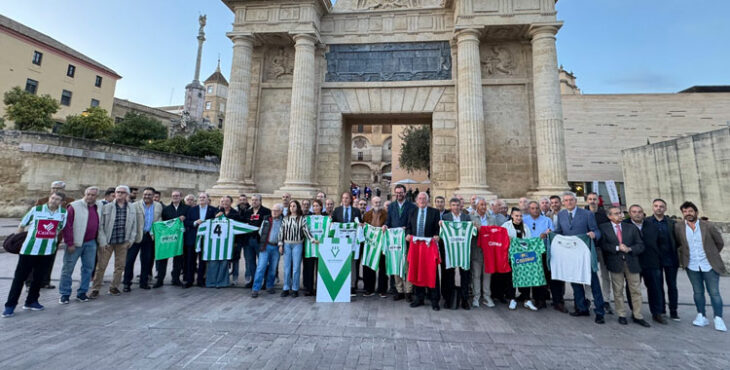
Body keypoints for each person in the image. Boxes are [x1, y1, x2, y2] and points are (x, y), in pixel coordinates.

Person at [3, 192, 67, 318]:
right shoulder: (36, 210)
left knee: (38, 278)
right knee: (19, 278)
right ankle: (10, 305)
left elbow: (60, 229)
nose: (53, 201)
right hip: (29, 250)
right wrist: (19, 240)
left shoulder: (63, 213)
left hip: (47, 251)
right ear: (49, 198)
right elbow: (22, 225)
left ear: (61, 202)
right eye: (52, 198)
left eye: (57, 199)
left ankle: (31, 301)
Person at [553, 192, 605, 324]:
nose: (568, 202)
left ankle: (599, 311)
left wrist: (594, 234)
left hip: (584, 253)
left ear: (575, 201)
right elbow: (559, 231)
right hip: (570, 254)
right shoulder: (561, 215)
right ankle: (581, 308)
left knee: (593, 283)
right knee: (575, 282)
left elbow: (597, 231)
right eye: (566, 200)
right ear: (563, 203)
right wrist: (550, 234)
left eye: (571, 200)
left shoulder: (587, 214)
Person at [674, 201, 726, 332]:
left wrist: (711, 254)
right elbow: (679, 244)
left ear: (696, 212)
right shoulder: (678, 227)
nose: (688, 214)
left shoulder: (707, 226)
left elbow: (719, 242)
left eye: (690, 211)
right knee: (698, 292)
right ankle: (701, 316)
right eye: (685, 212)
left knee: (714, 293)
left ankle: (718, 318)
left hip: (709, 265)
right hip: (692, 265)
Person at [598, 206, 649, 327]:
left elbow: (640, 245)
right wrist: (617, 248)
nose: (619, 215)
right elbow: (603, 245)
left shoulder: (631, 228)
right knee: (618, 290)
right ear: (609, 216)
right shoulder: (604, 228)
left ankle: (637, 315)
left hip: (632, 262)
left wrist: (630, 249)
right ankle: (621, 314)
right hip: (615, 263)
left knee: (635, 290)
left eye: (620, 213)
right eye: (615, 214)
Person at [90, 186, 138, 299]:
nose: (119, 194)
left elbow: (134, 226)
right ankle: (95, 289)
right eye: (118, 192)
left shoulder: (131, 208)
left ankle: (114, 287)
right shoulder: (107, 207)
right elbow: (100, 226)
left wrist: (130, 240)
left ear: (127, 194)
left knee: (120, 266)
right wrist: (102, 241)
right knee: (101, 266)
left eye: (122, 192)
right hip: (108, 242)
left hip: (123, 241)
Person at [59, 187, 102, 304]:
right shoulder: (74, 206)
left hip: (91, 242)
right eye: (88, 194)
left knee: (88, 269)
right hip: (75, 243)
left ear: (96, 196)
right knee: (68, 269)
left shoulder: (99, 206)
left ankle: (82, 292)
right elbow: (67, 226)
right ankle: (64, 294)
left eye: (93, 195)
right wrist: (70, 243)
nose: (90, 197)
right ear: (84, 194)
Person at [28, 181, 74, 290]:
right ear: (50, 189)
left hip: (55, 237)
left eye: (59, 188)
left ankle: (45, 281)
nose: (56, 190)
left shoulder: (70, 202)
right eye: (54, 188)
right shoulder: (42, 201)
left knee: (49, 260)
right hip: (40, 236)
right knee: (34, 260)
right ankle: (30, 283)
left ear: (64, 190)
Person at [624, 204, 665, 324]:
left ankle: (657, 312)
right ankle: (635, 311)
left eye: (639, 212)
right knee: (632, 288)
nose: (637, 214)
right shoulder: (625, 225)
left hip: (651, 261)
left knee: (655, 288)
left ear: (643, 213)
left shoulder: (652, 225)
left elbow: (661, 242)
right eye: (634, 212)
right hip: (633, 261)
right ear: (630, 214)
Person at [405, 192, 441, 311]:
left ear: (427, 200)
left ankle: (435, 300)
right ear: (416, 200)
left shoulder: (434, 212)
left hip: (429, 247)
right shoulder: (412, 212)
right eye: (420, 198)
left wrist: (437, 235)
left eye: (424, 198)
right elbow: (408, 226)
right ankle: (418, 298)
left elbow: (437, 228)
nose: (422, 200)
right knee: (417, 271)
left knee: (432, 272)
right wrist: (408, 234)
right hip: (416, 247)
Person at [647, 198, 680, 321]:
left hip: (670, 258)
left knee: (672, 286)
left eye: (661, 206)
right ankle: (660, 310)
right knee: (657, 286)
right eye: (656, 206)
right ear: (653, 207)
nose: (658, 208)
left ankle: (674, 310)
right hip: (655, 260)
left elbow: (678, 240)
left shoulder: (672, 223)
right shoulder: (647, 222)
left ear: (665, 208)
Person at [123, 187, 162, 292]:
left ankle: (143, 282)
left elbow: (159, 219)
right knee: (129, 261)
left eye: (149, 194)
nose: (147, 196)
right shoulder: (135, 206)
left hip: (149, 237)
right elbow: (129, 221)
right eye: (145, 194)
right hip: (136, 237)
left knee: (146, 261)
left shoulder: (158, 206)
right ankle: (127, 283)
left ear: (153, 196)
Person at [501, 208, 540, 311]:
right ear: (512, 216)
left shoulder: (525, 227)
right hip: (511, 256)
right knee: (511, 278)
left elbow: (529, 241)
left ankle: (527, 299)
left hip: (523, 256)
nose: (518, 218)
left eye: (520, 216)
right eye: (516, 216)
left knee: (525, 278)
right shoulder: (506, 226)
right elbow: (501, 238)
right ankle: (512, 299)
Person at [384, 184, 416, 301]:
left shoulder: (412, 206)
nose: (399, 194)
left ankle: (408, 291)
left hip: (406, 240)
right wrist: (385, 225)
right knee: (396, 264)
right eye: (397, 193)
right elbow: (389, 220)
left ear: (405, 193)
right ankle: (399, 290)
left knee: (407, 266)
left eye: (401, 192)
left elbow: (413, 223)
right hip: (395, 241)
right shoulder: (391, 206)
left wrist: (407, 230)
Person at [439, 197, 473, 310]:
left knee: (465, 276)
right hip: (450, 250)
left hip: (463, 250)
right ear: (450, 206)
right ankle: (448, 299)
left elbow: (472, 232)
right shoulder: (445, 217)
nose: (455, 207)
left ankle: (464, 299)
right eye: (453, 205)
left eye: (457, 205)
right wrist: (441, 225)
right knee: (449, 275)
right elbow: (441, 234)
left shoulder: (466, 217)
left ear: (460, 206)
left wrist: (474, 227)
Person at [522, 201, 554, 309]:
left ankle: (540, 299)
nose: (535, 210)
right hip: (528, 252)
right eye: (532, 208)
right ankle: (527, 298)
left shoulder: (547, 220)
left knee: (541, 276)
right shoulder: (524, 220)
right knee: (529, 275)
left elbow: (553, 233)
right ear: (529, 209)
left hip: (542, 251)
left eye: (536, 208)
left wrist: (548, 233)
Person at [585, 191, 613, 314]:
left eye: (594, 199)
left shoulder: (604, 214)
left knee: (605, 275)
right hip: (589, 249)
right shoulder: (583, 214)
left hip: (603, 248)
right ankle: (588, 298)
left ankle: (606, 300)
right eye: (590, 199)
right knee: (588, 274)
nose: (592, 201)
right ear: (587, 201)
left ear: (598, 201)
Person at [183, 193, 218, 288]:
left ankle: (200, 280)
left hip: (206, 239)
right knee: (191, 260)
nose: (202, 199)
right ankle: (189, 280)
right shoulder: (192, 210)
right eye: (200, 197)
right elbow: (186, 222)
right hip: (193, 238)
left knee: (202, 260)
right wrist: (195, 222)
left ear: (207, 199)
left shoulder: (213, 210)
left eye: (204, 197)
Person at [278, 200, 311, 298]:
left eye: (294, 206)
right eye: (291, 206)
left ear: (297, 207)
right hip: (287, 244)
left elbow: (306, 230)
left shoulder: (301, 219)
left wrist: (312, 239)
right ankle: (286, 288)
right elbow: (281, 232)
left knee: (296, 268)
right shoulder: (285, 219)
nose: (292, 208)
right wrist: (280, 244)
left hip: (297, 244)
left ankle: (295, 288)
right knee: (287, 267)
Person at [155, 191, 188, 287]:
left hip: (180, 239)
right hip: (167, 238)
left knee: (178, 260)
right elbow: (162, 223)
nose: (175, 197)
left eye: (177, 196)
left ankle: (176, 279)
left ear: (181, 197)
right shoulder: (165, 209)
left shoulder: (186, 209)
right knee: (163, 259)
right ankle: (160, 280)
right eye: (173, 196)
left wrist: (184, 219)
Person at [205, 196, 240, 288]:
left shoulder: (235, 213)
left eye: (227, 201)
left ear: (231, 203)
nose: (224, 203)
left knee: (224, 263)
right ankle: (211, 282)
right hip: (215, 243)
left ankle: (222, 282)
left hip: (228, 243)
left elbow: (238, 226)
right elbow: (208, 222)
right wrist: (215, 218)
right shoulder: (215, 211)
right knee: (213, 262)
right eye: (223, 201)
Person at [332, 192, 363, 296]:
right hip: (340, 242)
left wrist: (360, 225)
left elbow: (360, 224)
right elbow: (333, 223)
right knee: (341, 263)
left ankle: (352, 286)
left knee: (353, 264)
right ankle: (341, 283)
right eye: (343, 198)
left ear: (351, 200)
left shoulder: (356, 211)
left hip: (352, 242)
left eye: (347, 198)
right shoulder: (337, 210)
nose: (345, 200)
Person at [251, 204, 283, 298]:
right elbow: (261, 231)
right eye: (273, 210)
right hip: (266, 246)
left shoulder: (283, 221)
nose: (274, 212)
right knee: (261, 267)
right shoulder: (266, 219)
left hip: (276, 247)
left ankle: (269, 286)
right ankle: (255, 288)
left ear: (281, 211)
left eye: (277, 210)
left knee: (273, 268)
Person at [471, 198, 497, 308]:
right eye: (481, 204)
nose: (483, 206)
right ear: (476, 206)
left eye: (484, 204)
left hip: (489, 251)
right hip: (476, 250)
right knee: (476, 275)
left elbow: (495, 232)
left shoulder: (492, 218)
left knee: (487, 275)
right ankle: (476, 297)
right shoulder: (471, 217)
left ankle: (487, 296)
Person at [241, 195, 271, 289]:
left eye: (256, 200)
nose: (254, 202)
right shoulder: (247, 212)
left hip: (260, 240)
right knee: (250, 261)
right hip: (248, 240)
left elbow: (267, 224)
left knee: (263, 262)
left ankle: (266, 281)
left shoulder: (266, 211)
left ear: (260, 201)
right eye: (253, 200)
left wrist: (256, 227)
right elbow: (244, 224)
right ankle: (254, 280)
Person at [362, 196, 388, 297]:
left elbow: (388, 224)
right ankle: (369, 288)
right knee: (369, 266)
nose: (377, 204)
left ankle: (382, 289)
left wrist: (385, 227)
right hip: (370, 243)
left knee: (383, 267)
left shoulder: (386, 214)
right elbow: (364, 226)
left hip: (382, 243)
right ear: (372, 203)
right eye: (375, 202)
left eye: (379, 202)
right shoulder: (367, 214)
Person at [302, 199, 326, 296]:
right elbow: (305, 230)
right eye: (314, 206)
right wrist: (312, 239)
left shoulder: (327, 219)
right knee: (309, 269)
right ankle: (309, 288)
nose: (315, 207)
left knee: (320, 269)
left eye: (317, 206)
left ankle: (319, 288)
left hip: (321, 246)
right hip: (310, 246)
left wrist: (322, 240)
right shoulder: (307, 218)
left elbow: (328, 230)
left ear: (321, 207)